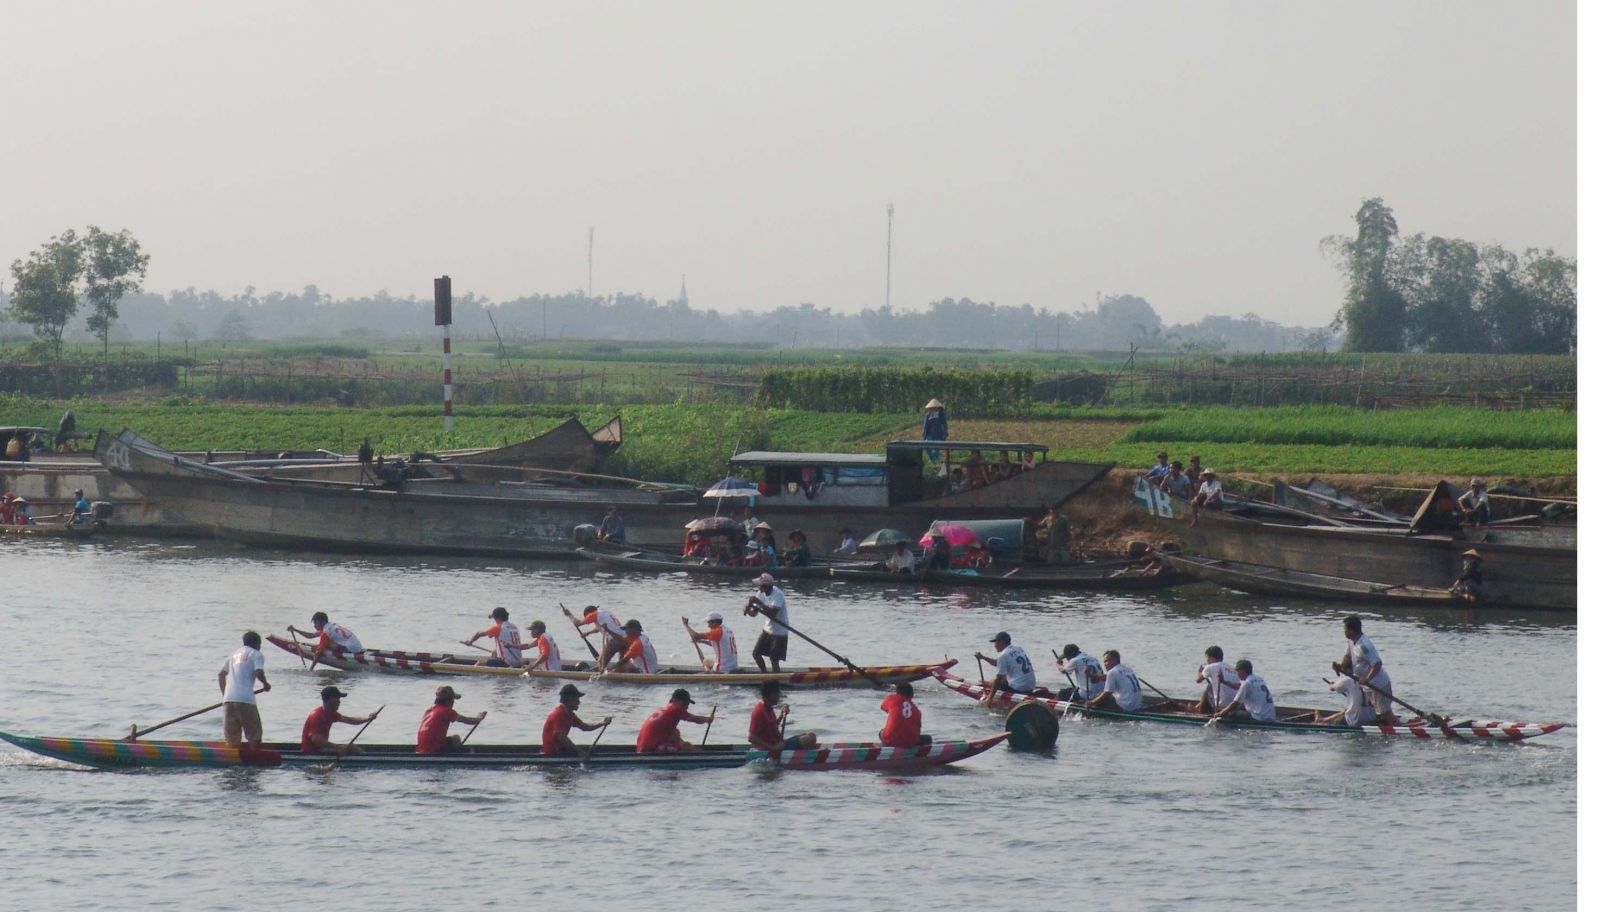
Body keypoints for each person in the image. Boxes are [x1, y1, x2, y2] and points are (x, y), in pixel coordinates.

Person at [217, 631, 271, 747]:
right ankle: (255, 756)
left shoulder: (233, 655)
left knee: (232, 739)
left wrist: (225, 694)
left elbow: (221, 674)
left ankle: (234, 756)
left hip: (228, 700)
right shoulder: (256, 654)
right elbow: (259, 673)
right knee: (254, 735)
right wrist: (265, 684)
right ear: (257, 644)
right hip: (245, 700)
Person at [1343, 615, 1398, 725]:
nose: (1343, 631)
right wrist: (1340, 666)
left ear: (1351, 630)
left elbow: (1377, 664)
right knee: (1379, 711)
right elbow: (1347, 657)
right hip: (1368, 687)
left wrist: (1366, 679)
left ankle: (1398, 728)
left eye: (1345, 629)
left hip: (1378, 684)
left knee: (1385, 712)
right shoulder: (1351, 642)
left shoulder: (1364, 645)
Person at [300, 686, 379, 756]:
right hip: (311, 752)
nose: (339, 701)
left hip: (321, 748)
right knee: (353, 749)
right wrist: (337, 747)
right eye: (337, 698)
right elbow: (315, 739)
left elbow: (350, 720)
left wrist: (367, 719)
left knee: (354, 748)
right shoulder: (316, 716)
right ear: (331, 699)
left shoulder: (331, 714)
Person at [636, 688, 714, 753]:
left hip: (642, 748)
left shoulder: (665, 710)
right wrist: (708, 719)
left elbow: (675, 736)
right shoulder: (675, 709)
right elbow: (694, 719)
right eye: (685, 704)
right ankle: (704, 756)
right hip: (649, 750)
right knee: (685, 747)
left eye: (687, 704)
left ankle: (700, 754)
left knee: (676, 733)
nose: (686, 707)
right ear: (675, 700)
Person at [541, 684, 611, 757]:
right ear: (570, 699)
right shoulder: (559, 714)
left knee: (593, 750)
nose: (579, 702)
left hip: (560, 750)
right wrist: (579, 751)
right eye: (577, 699)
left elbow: (585, 727)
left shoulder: (569, 714)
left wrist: (602, 723)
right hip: (553, 753)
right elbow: (562, 737)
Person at [748, 680, 817, 751]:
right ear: (772, 694)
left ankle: (806, 754)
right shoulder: (759, 711)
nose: (779, 696)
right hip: (770, 749)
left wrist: (782, 714)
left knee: (812, 735)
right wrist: (772, 747)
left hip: (779, 743)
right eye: (778, 693)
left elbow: (772, 726)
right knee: (806, 739)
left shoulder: (768, 707)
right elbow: (751, 738)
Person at [417, 686, 486, 754]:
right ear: (447, 701)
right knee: (456, 739)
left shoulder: (429, 711)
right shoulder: (446, 711)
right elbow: (466, 720)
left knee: (453, 739)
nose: (453, 703)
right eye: (452, 701)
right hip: (433, 749)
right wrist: (479, 719)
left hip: (421, 749)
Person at [744, 573, 790, 672]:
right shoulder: (760, 593)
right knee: (756, 654)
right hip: (767, 629)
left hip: (780, 632)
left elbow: (772, 613)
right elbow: (754, 614)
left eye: (760, 585)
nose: (758, 587)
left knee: (774, 659)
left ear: (766, 586)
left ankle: (776, 679)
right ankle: (765, 674)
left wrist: (759, 603)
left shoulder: (778, 594)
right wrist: (748, 610)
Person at [1315, 658, 1378, 726]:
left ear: (1348, 670)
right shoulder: (1370, 678)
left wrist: (1331, 685)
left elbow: (1332, 688)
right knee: (1346, 711)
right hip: (1371, 718)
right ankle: (1323, 719)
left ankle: (1322, 721)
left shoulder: (1347, 680)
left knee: (1340, 719)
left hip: (1355, 721)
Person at [287, 611, 365, 664]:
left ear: (322, 622)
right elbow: (311, 635)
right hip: (358, 647)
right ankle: (319, 647)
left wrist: (311, 669)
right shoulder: (331, 626)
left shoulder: (326, 632)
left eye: (316, 623)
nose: (314, 625)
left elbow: (318, 654)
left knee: (325, 646)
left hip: (351, 650)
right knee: (326, 644)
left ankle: (318, 647)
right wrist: (295, 630)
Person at [1211, 660, 1275, 722]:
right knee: (1239, 707)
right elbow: (1238, 686)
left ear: (1242, 671)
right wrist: (1223, 681)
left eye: (1237, 671)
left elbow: (1235, 703)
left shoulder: (1247, 683)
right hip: (1270, 716)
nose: (1237, 674)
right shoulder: (1259, 679)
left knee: (1230, 713)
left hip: (1258, 717)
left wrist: (1221, 713)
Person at [466, 606, 530, 668]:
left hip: (506, 662)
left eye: (494, 618)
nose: (494, 620)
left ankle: (471, 671)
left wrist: (470, 641)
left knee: (480, 662)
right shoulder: (514, 627)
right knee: (494, 652)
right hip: (518, 660)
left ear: (498, 618)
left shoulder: (498, 627)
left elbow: (478, 634)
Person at [879, 682, 931, 747]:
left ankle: (886, 746)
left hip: (891, 740)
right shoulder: (917, 710)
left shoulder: (891, 698)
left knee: (881, 732)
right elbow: (918, 728)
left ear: (897, 692)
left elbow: (883, 707)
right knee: (928, 738)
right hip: (911, 742)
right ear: (912, 695)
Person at [578, 604, 629, 671]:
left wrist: (569, 615)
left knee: (600, 662)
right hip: (625, 639)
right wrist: (588, 633)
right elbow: (600, 628)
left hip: (615, 640)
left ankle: (602, 675)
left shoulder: (594, 614)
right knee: (622, 663)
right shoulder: (605, 613)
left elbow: (577, 623)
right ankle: (621, 674)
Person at [1195, 645, 1241, 713]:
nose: (1207, 661)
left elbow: (1198, 680)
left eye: (1207, 659)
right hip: (1235, 705)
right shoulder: (1232, 667)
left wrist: (1199, 672)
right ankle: (1197, 707)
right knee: (1211, 687)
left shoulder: (1210, 667)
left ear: (1211, 658)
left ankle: (1200, 711)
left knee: (1209, 688)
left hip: (1221, 705)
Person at [921, 398, 948, 463]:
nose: (934, 409)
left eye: (936, 407)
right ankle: (932, 459)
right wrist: (924, 433)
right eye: (932, 407)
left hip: (938, 434)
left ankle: (934, 461)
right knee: (927, 447)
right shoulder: (928, 415)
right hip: (929, 435)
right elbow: (925, 425)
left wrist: (945, 432)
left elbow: (944, 424)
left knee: (936, 448)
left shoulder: (941, 415)